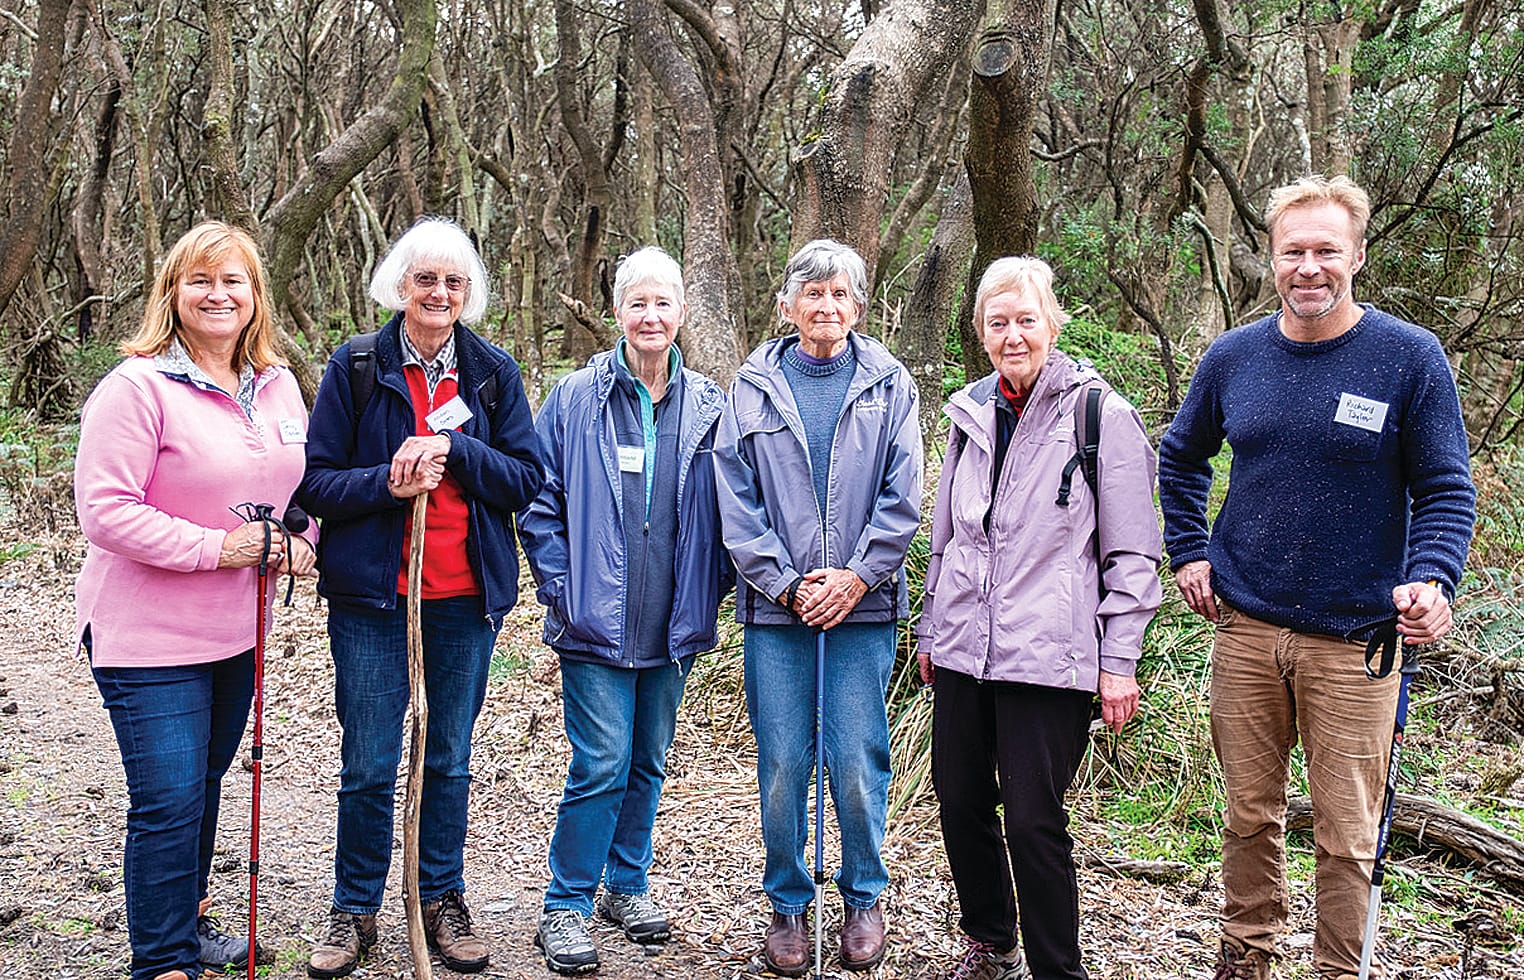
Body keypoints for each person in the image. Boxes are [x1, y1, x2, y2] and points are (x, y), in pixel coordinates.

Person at [1157, 175, 1475, 980]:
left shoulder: (1408, 358)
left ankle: (1340, 970)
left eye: (1326, 250)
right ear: (1270, 258)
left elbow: (1445, 488)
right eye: (1293, 251)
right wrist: (1189, 552)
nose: (1309, 267)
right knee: (1248, 817)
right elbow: (1182, 457)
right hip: (1247, 628)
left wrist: (1432, 580)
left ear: (1358, 255)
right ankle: (1246, 956)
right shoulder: (1234, 357)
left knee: (1347, 832)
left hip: (1358, 642)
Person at [297, 217, 544, 978]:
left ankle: (440, 896)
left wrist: (458, 450)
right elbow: (317, 484)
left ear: (469, 294)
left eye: (454, 282)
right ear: (400, 286)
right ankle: (356, 907)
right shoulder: (358, 366)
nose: (439, 293)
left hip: (463, 599)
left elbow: (526, 480)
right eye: (426, 279)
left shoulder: (493, 374)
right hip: (374, 601)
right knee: (369, 761)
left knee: (449, 758)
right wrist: (388, 482)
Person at [75, 221, 316, 980]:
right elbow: (105, 510)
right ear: (172, 294)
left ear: (255, 296)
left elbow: (295, 493)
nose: (219, 295)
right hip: (147, 638)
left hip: (235, 633)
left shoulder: (276, 383)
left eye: (234, 281)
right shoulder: (137, 387)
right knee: (169, 802)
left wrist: (306, 540)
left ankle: (187, 926)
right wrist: (219, 548)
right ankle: (162, 962)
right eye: (201, 281)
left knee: (202, 789)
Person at [916, 256, 1162, 980]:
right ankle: (992, 940)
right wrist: (931, 630)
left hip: (1049, 655)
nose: (1013, 335)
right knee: (959, 798)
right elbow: (948, 540)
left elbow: (1133, 555)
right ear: (982, 333)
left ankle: (1059, 969)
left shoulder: (1100, 416)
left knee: (1032, 820)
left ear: (1052, 323)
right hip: (964, 648)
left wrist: (1118, 662)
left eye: (1027, 320)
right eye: (999, 323)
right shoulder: (969, 412)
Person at [715, 239, 923, 976]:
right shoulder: (750, 387)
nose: (826, 307)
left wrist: (857, 578)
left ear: (859, 307)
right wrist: (789, 583)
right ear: (787, 306)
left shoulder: (891, 383)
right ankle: (788, 903)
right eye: (813, 294)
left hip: (862, 610)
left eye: (840, 295)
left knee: (860, 762)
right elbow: (734, 502)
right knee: (782, 764)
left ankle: (865, 896)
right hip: (779, 613)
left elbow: (904, 496)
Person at [520, 246, 729, 975]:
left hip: (672, 623)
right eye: (637, 303)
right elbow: (538, 502)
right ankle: (565, 904)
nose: (651, 316)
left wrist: (714, 587)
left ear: (681, 315)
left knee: (647, 761)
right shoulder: (576, 398)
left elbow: (732, 510)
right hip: (594, 622)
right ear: (617, 313)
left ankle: (626, 886)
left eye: (663, 304)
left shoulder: (710, 404)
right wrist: (561, 590)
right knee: (601, 761)